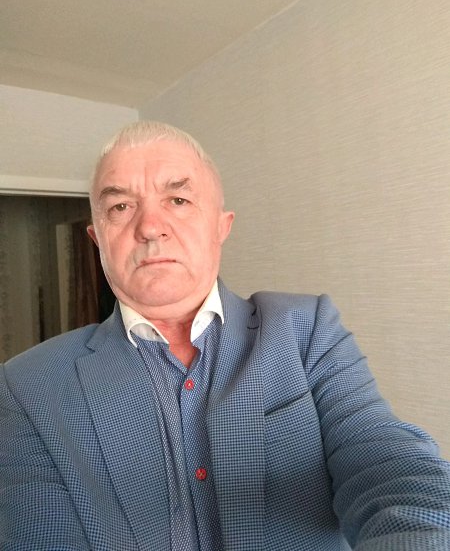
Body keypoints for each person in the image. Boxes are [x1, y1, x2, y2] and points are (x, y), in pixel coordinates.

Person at [1, 121, 449, 551]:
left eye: (178, 199)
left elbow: (389, 465)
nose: (150, 226)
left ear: (222, 226)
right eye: (120, 207)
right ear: (97, 238)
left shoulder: (307, 331)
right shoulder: (26, 386)